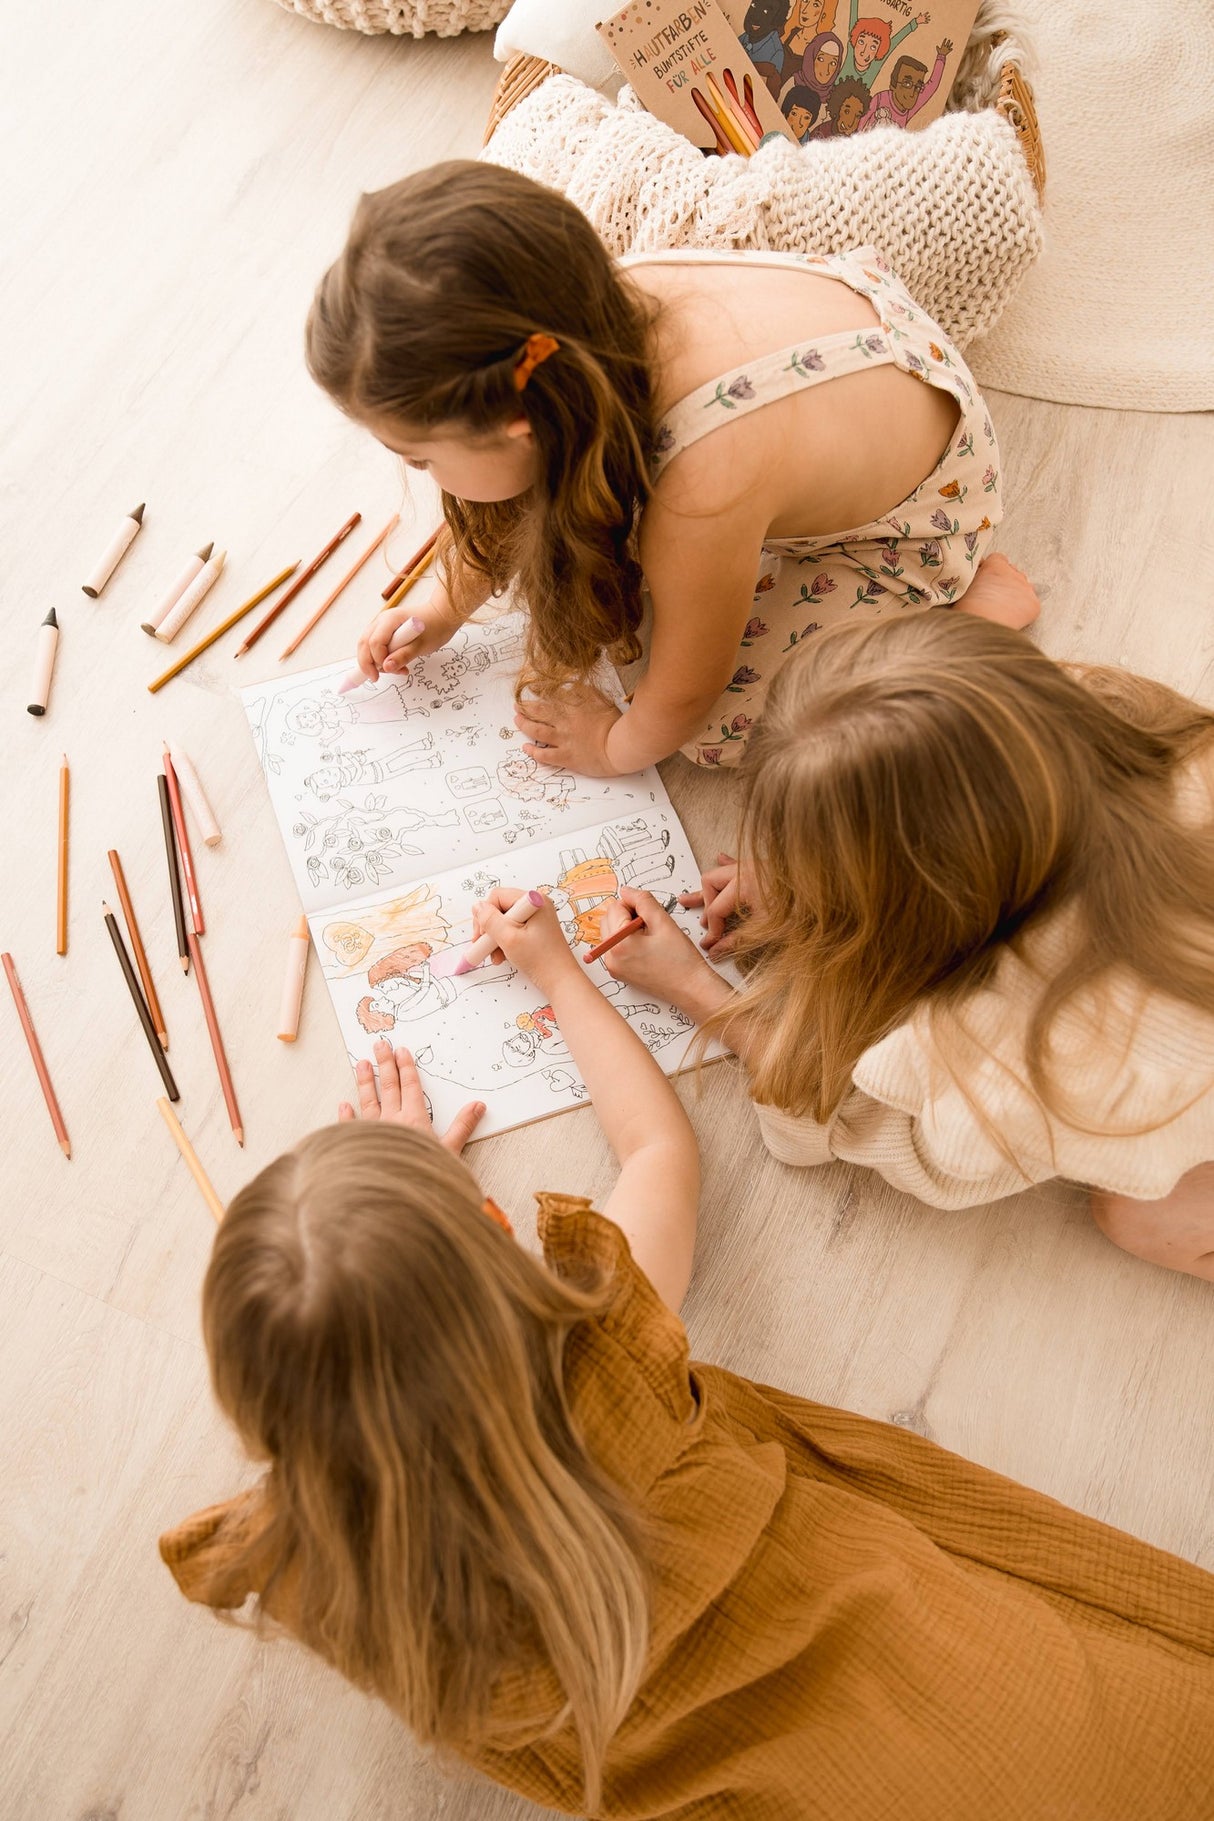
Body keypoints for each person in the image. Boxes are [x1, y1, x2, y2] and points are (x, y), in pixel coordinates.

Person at [159, 894, 1214, 1818]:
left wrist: (417, 1234)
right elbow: (656, 1148)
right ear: (495, 1245)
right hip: (989, 1683)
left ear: (253, 1402)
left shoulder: (291, 1571)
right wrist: (556, 972)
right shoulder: (605, 1345)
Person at [306, 162, 1035, 774]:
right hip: (863, 376)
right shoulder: (564, 328)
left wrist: (618, 746)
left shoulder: (704, 482)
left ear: (516, 423)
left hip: (921, 512)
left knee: (730, 729)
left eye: (421, 459)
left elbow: (690, 689)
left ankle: (973, 618)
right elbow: (515, 495)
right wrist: (441, 606)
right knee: (607, 568)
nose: (425, 478)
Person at [595, 614, 1214, 1279]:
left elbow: (864, 1138)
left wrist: (698, 989)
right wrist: (810, 873)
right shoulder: (1112, 712)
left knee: (1137, 1214)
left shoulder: (1015, 1060)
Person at [861, 41, 952, 130]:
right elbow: (864, 117)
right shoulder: (880, 98)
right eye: (907, 84)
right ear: (894, 83)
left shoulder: (909, 109)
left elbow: (932, 85)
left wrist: (941, 57)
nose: (912, 93)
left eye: (918, 87)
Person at [838, 5, 930, 90]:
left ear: (880, 50)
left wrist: (915, 22)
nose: (864, 51)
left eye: (873, 47)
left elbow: (895, 41)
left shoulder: (876, 63)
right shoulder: (852, 51)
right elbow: (853, 14)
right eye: (861, 42)